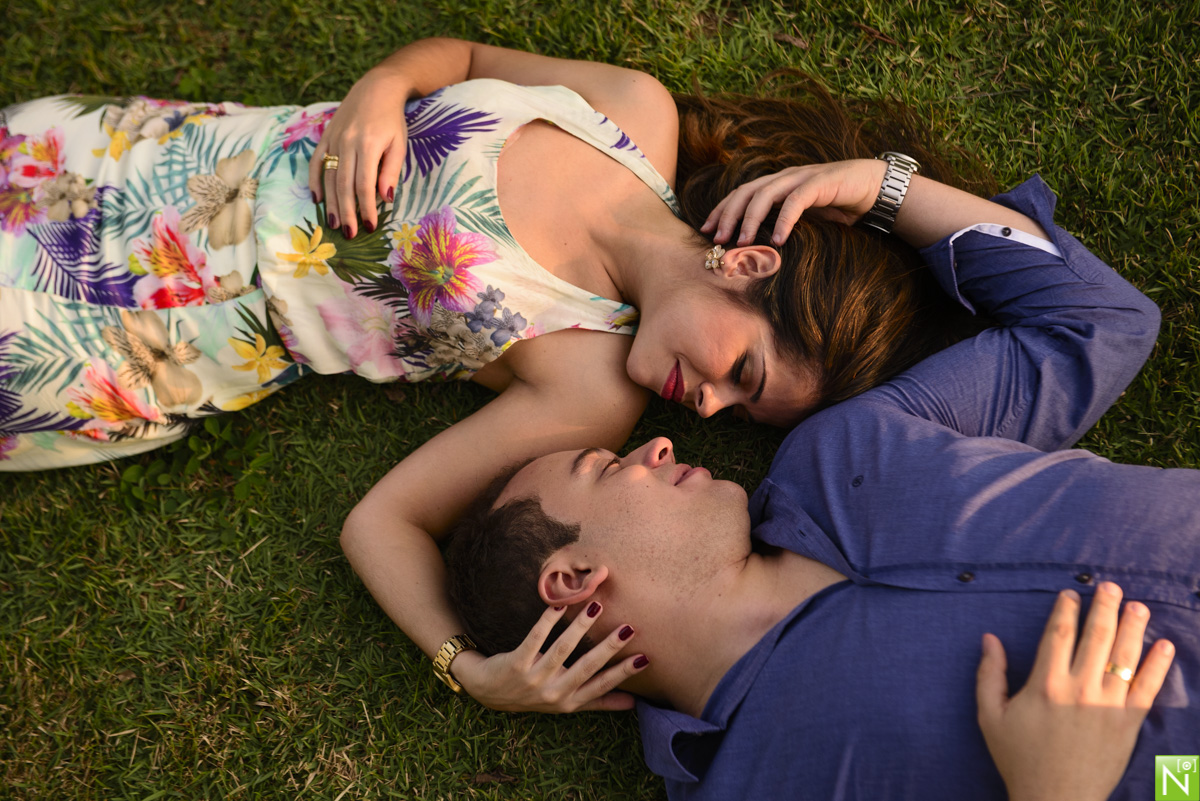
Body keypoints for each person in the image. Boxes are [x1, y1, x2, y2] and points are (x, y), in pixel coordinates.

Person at [0, 39, 986, 705]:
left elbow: (381, 522)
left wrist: (467, 667)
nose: (712, 404)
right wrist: (384, 91)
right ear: (749, 265)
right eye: (743, 371)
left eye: (740, 411)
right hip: (167, 154)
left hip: (149, 320)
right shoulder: (630, 114)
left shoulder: (592, 387)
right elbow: (461, 58)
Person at [441, 171, 1200, 799]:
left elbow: (1095, 323)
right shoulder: (748, 782)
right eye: (605, 469)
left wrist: (880, 185)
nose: (657, 442)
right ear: (573, 581)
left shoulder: (839, 450)